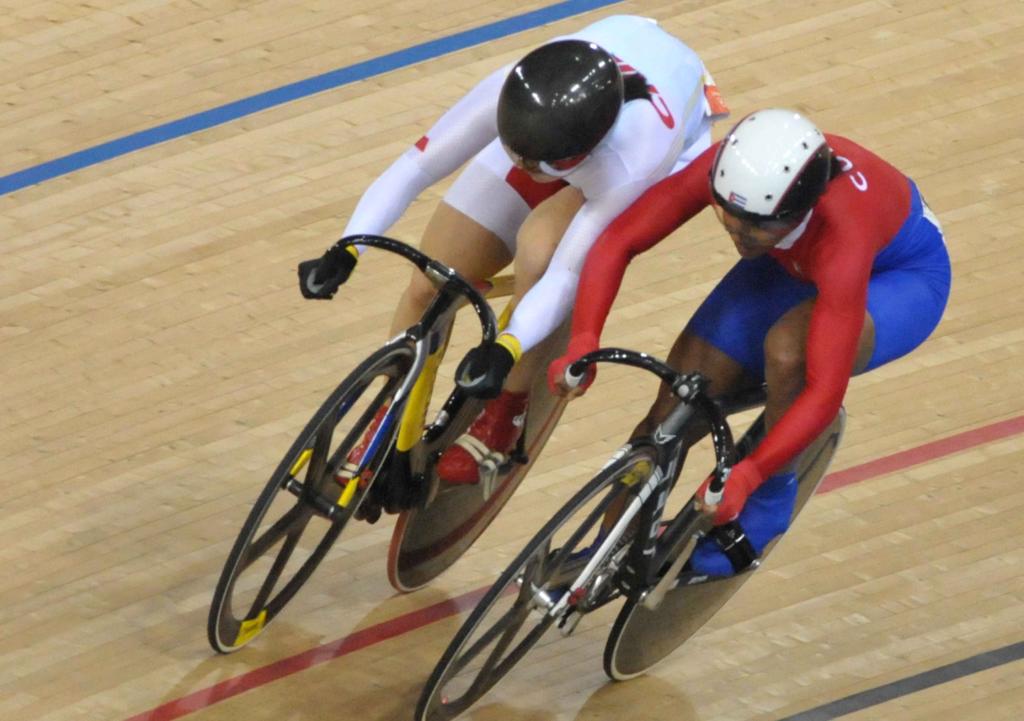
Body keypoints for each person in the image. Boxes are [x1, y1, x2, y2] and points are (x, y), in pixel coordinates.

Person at [297, 15, 728, 492]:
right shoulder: (511, 89)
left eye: (536, 163)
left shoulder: (634, 158)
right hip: (563, 122)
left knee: (541, 254)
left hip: (663, 148)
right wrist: (348, 247)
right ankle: (388, 409)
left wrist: (507, 349)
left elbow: (566, 273)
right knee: (430, 278)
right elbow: (413, 168)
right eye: (516, 152)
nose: (523, 166)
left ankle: (508, 410)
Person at [549, 108, 951, 575]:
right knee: (675, 404)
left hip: (900, 278)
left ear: (796, 211)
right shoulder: (735, 172)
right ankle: (604, 553)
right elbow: (620, 239)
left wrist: (753, 473)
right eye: (729, 219)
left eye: (755, 227)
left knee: (789, 352)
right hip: (793, 259)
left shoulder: (844, 233)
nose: (739, 235)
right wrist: (583, 337)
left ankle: (774, 494)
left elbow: (826, 390)